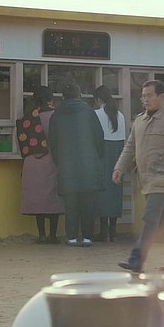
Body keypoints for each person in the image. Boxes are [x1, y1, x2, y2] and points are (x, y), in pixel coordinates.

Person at [115, 80, 164, 273]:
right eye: (143, 96)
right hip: (146, 178)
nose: (145, 99)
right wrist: (119, 167)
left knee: (150, 218)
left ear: (161, 96)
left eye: (149, 95)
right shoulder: (139, 121)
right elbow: (130, 147)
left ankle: (137, 260)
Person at [48, 84, 105, 247]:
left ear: (63, 97)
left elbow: (53, 143)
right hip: (89, 165)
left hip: (67, 166)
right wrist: (97, 158)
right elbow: (99, 138)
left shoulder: (56, 115)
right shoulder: (89, 112)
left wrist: (60, 162)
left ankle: (72, 237)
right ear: (79, 95)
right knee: (88, 205)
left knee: (71, 205)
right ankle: (87, 237)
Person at [18, 86, 63, 244]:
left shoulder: (28, 117)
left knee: (38, 199)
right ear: (50, 99)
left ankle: (42, 235)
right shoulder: (56, 116)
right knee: (53, 198)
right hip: (52, 160)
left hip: (32, 162)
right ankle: (53, 235)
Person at [93, 85, 126, 242]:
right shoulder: (120, 115)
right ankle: (113, 232)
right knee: (115, 191)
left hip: (101, 153)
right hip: (118, 153)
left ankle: (103, 231)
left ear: (99, 99)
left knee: (102, 191)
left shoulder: (96, 114)